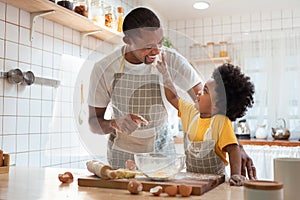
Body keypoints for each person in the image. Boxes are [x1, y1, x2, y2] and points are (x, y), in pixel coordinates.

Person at [87, 6, 257, 179]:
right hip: (121, 158)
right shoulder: (103, 68)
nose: (156, 51)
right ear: (128, 41)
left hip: (162, 159)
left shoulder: (171, 60)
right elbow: (94, 123)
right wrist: (115, 123)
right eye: (148, 47)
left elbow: (215, 105)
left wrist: (235, 146)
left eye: (159, 43)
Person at [156, 59, 255, 186]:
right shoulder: (190, 113)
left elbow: (233, 149)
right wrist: (165, 74)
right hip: (192, 182)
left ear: (217, 106)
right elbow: (172, 97)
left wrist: (236, 175)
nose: (198, 92)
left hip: (216, 186)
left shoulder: (221, 123)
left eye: (205, 91)